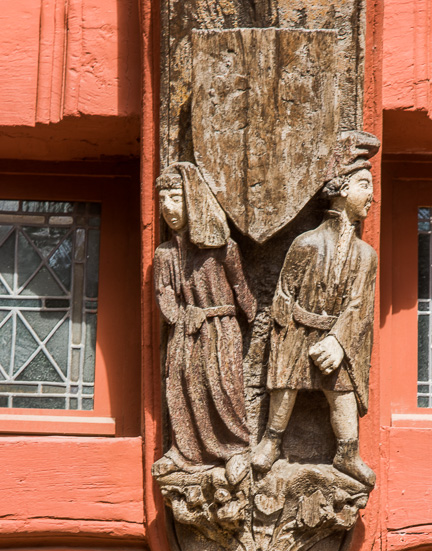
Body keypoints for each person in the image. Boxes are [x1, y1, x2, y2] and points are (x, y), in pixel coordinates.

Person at [251, 131, 380, 486]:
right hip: (297, 329)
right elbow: (284, 293)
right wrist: (287, 332)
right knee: (285, 383)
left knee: (342, 391)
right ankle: (271, 440)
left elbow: (359, 306)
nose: (371, 195)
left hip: (335, 333)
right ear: (340, 190)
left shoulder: (365, 255)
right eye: (364, 185)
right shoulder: (306, 243)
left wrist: (338, 342)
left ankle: (347, 452)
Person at [154, 162, 257, 479]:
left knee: (222, 388)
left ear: (194, 199)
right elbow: (164, 292)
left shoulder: (223, 248)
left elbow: (240, 286)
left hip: (221, 328)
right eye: (163, 200)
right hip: (186, 331)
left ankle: (236, 450)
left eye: (176, 197)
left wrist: (254, 316)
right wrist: (181, 314)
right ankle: (184, 451)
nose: (169, 208)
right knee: (184, 386)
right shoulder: (165, 253)